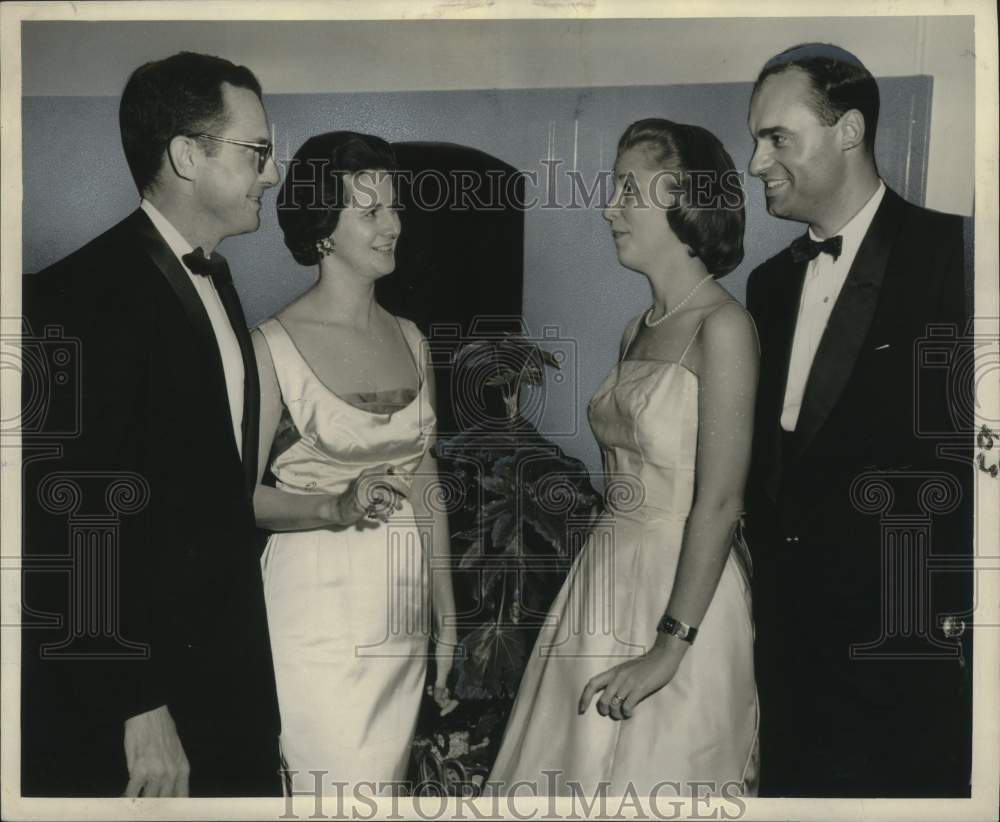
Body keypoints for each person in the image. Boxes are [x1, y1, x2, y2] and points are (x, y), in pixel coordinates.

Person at [21, 52, 282, 796]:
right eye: (257, 152)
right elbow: (72, 517)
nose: (271, 173)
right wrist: (136, 703)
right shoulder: (79, 295)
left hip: (224, 675)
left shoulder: (217, 278)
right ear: (185, 156)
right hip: (145, 700)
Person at [487, 119, 759, 797]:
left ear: (686, 199)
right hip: (604, 576)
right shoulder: (637, 328)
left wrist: (670, 646)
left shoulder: (724, 328)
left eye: (628, 190)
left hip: (683, 591)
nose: (609, 208)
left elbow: (721, 503)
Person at [745, 43, 972, 797]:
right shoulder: (769, 285)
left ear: (849, 130)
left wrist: (956, 616)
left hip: (904, 650)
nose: (756, 162)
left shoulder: (955, 253)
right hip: (785, 644)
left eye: (776, 137)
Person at [253, 131, 458, 793]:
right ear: (322, 231)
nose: (393, 225)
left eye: (394, 208)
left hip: (399, 610)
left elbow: (424, 481)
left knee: (384, 789)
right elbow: (238, 499)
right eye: (370, 212)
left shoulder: (410, 337)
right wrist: (333, 505)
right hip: (313, 615)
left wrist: (445, 613)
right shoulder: (270, 347)